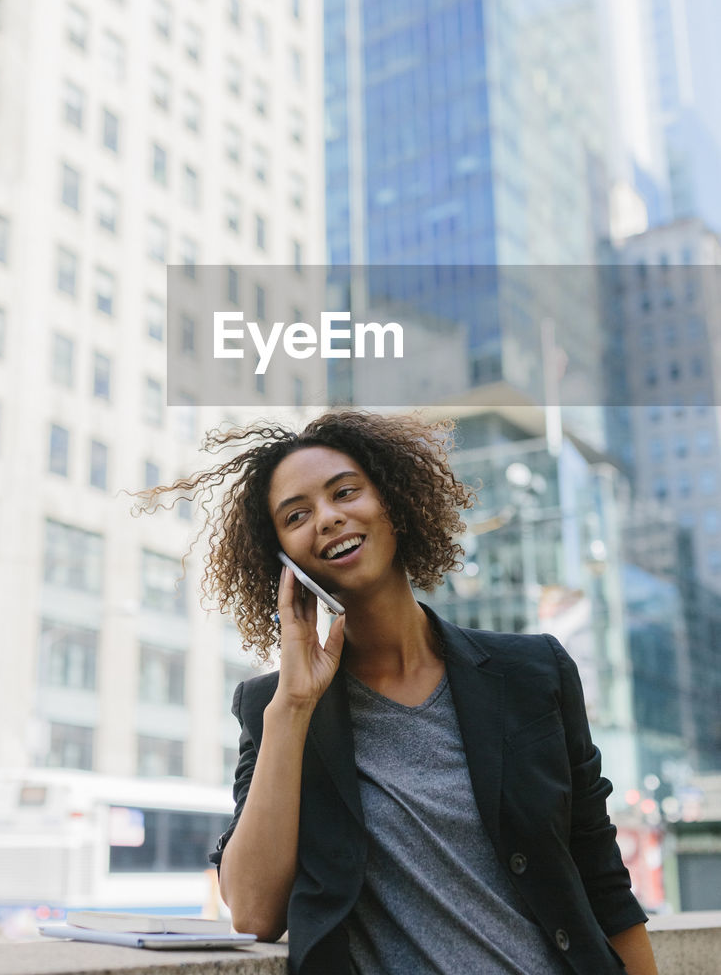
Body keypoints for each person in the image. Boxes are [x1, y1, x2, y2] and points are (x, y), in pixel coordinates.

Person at [138, 410, 658, 975]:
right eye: (297, 515)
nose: (329, 518)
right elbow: (255, 913)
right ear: (280, 558)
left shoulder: (534, 671)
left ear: (394, 501)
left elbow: (600, 875)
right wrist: (293, 706)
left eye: (345, 492)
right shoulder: (275, 711)